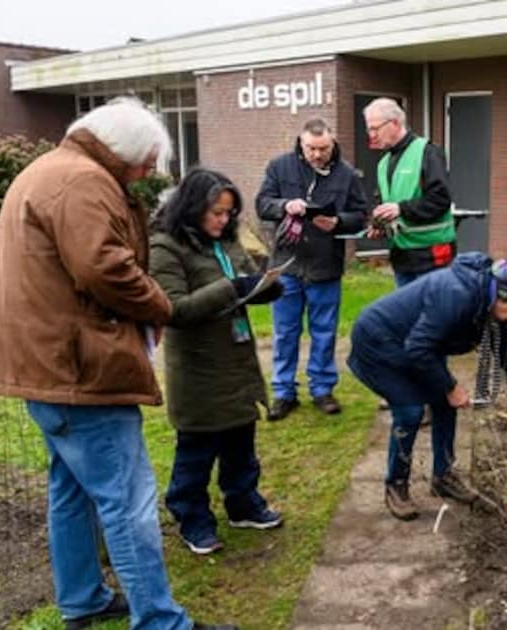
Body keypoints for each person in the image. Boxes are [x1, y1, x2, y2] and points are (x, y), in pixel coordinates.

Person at [0, 98, 234, 630]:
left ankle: (82, 599)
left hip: (44, 370)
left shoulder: (47, 171)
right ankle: (159, 621)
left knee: (69, 489)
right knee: (128, 500)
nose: (147, 175)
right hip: (78, 372)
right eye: (145, 162)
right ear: (122, 152)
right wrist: (162, 307)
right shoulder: (83, 183)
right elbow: (106, 269)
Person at [347, 252, 507, 521]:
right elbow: (419, 349)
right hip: (379, 341)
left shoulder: (486, 300)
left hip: (418, 343)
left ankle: (443, 475)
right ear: (501, 297)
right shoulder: (455, 297)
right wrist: (451, 387)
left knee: (444, 404)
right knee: (410, 411)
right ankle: (396, 484)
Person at [149, 168, 285, 556]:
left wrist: (264, 288)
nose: (224, 221)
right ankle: (192, 517)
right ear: (192, 207)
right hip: (198, 367)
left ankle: (243, 503)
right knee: (198, 448)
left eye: (229, 213)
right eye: (217, 213)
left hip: (236, 359)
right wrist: (232, 289)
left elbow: (243, 279)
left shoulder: (224, 241)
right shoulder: (165, 246)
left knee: (241, 439)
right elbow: (172, 309)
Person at [256, 119, 368, 420]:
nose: (317, 155)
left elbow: (360, 215)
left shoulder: (346, 174)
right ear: (300, 143)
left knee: (324, 332)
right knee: (285, 332)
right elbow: (262, 204)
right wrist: (284, 206)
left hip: (325, 266)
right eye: (311, 149)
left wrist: (339, 222)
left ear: (332, 144)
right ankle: (283, 392)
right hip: (287, 265)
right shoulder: (279, 167)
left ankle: (322, 389)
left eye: (323, 149)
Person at [362, 97, 455, 286]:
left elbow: (440, 199)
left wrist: (401, 209)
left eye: (375, 128)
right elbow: (385, 202)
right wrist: (378, 225)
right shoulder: (383, 163)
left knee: (433, 313)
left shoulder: (427, 152)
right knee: (406, 314)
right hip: (402, 255)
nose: (371, 135)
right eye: (368, 129)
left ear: (395, 123)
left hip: (431, 255)